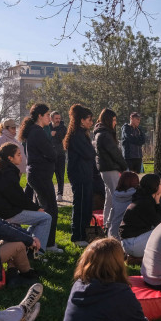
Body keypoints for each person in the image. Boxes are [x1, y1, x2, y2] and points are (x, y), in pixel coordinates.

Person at [0, 143, 52, 250]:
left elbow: (17, 197)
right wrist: (36, 208)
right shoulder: (8, 172)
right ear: (10, 158)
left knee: (38, 218)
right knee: (46, 218)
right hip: (5, 212)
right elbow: (17, 198)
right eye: (18, 154)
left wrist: (34, 208)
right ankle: (38, 252)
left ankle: (28, 245)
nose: (21, 156)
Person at [20, 103, 62, 253]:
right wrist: (53, 153)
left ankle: (34, 240)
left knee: (42, 211)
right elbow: (51, 153)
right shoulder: (37, 132)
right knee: (51, 210)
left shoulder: (35, 131)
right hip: (40, 175)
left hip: (38, 174)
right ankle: (48, 244)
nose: (48, 118)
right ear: (40, 116)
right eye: (46, 115)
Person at [93, 108, 129, 235]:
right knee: (116, 197)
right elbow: (115, 153)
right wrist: (124, 166)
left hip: (106, 168)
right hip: (110, 167)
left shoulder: (101, 132)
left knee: (109, 196)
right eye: (113, 120)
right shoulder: (105, 134)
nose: (115, 123)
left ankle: (106, 223)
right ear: (108, 120)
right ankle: (112, 225)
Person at [65, 104, 96, 247]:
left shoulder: (82, 134)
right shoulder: (77, 135)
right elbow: (89, 153)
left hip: (85, 173)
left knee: (86, 205)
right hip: (80, 174)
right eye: (89, 119)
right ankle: (77, 235)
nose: (91, 122)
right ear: (82, 120)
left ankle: (83, 233)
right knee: (81, 205)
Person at [119, 174, 161, 260]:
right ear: (155, 187)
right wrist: (158, 201)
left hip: (130, 242)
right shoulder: (145, 203)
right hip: (132, 244)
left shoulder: (144, 199)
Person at [108, 171, 140, 239]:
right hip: (128, 233)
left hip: (113, 231)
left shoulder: (115, 194)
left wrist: (107, 225)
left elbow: (112, 212)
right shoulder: (137, 195)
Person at [50, 111, 68, 203]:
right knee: (49, 176)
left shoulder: (63, 128)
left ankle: (60, 194)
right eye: (56, 118)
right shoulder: (47, 127)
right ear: (51, 119)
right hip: (49, 156)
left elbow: (61, 136)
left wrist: (54, 134)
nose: (58, 120)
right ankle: (51, 194)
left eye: (59, 118)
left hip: (60, 155)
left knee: (60, 175)